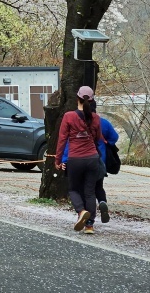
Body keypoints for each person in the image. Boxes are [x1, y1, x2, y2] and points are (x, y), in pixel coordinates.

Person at [55, 85, 104, 234]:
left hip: (75, 159)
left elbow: (62, 140)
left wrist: (57, 160)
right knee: (90, 192)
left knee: (74, 189)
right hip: (92, 159)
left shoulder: (69, 116)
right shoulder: (96, 118)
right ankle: (89, 225)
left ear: (77, 98)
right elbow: (98, 138)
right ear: (92, 100)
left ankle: (81, 212)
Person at [63, 115, 119, 224]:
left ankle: (84, 215)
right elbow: (114, 137)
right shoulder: (103, 122)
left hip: (78, 160)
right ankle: (102, 202)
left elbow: (68, 143)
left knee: (82, 190)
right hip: (99, 160)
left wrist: (64, 160)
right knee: (98, 186)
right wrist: (106, 142)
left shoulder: (74, 122)